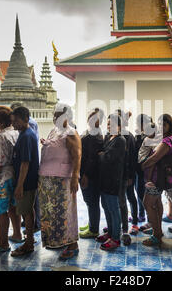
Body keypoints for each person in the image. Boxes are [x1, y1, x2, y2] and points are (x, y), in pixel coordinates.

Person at [38, 103, 81, 260]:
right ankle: (58, 241)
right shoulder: (55, 131)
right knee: (52, 213)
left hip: (62, 179)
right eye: (54, 115)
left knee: (65, 212)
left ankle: (72, 244)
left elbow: (77, 156)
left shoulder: (70, 133)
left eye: (58, 115)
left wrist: (75, 177)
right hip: (47, 179)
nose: (55, 118)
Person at [141, 114, 172, 246]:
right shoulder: (163, 138)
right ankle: (158, 231)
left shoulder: (167, 141)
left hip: (156, 180)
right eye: (159, 124)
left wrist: (143, 165)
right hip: (157, 179)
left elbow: (155, 158)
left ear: (170, 126)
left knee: (148, 204)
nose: (161, 127)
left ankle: (156, 235)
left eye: (165, 124)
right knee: (156, 204)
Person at [0, 106, 22, 255]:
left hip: (1, 178)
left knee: (0, 211)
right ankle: (18, 234)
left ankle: (3, 243)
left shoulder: (1, 137)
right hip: (14, 175)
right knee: (13, 207)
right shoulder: (15, 133)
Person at [10, 107, 39, 257]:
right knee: (28, 210)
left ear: (26, 119)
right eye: (12, 121)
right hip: (27, 180)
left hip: (26, 181)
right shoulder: (24, 134)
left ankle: (28, 244)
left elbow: (25, 163)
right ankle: (30, 238)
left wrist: (20, 185)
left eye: (16, 121)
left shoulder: (27, 136)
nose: (13, 124)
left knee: (26, 212)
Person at [96, 114, 126, 251]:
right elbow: (104, 154)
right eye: (108, 124)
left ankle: (115, 238)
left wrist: (102, 155)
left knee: (114, 209)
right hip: (103, 179)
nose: (109, 126)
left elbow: (108, 158)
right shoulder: (109, 137)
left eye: (112, 124)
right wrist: (103, 155)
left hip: (113, 180)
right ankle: (110, 232)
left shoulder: (120, 140)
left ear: (119, 127)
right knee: (106, 207)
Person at [79, 108, 104, 239]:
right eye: (90, 116)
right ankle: (91, 224)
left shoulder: (94, 135)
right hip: (86, 172)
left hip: (91, 175)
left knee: (92, 201)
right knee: (90, 201)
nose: (92, 119)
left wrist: (86, 175)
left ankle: (94, 229)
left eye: (95, 117)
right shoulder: (90, 132)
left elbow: (92, 158)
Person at [116, 110, 136, 244]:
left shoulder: (129, 137)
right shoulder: (111, 135)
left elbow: (132, 158)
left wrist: (130, 176)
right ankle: (117, 225)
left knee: (127, 200)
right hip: (115, 176)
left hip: (125, 175)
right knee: (117, 202)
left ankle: (129, 225)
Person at [137, 122, 161, 234]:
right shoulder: (147, 139)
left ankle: (154, 226)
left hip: (149, 170)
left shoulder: (155, 141)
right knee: (153, 201)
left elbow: (153, 158)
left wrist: (149, 176)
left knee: (153, 202)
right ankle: (152, 223)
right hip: (144, 167)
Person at [134, 114, 152, 224]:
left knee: (146, 196)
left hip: (146, 171)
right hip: (138, 171)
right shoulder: (140, 135)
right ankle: (141, 215)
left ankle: (151, 220)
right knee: (139, 193)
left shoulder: (150, 137)